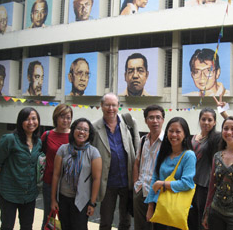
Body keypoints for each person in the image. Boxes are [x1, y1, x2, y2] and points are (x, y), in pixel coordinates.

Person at [92, 93, 140, 230]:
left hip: (127, 180)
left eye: (114, 105)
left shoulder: (129, 122)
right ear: (101, 106)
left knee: (125, 221)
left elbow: (137, 147)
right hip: (107, 182)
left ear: (118, 106)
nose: (111, 108)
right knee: (106, 220)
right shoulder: (94, 127)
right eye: (107, 104)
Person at [0, 107, 42, 230]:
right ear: (20, 122)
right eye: (26, 119)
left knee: (27, 226)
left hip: (29, 194)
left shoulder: (38, 142)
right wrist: (1, 185)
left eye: (34, 119)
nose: (31, 122)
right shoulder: (10, 139)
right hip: (9, 194)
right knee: (7, 226)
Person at [145, 117, 196, 230]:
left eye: (178, 131)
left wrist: (163, 184)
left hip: (177, 208)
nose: (174, 135)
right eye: (171, 131)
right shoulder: (163, 153)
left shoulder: (189, 155)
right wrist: (150, 206)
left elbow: (187, 183)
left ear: (185, 134)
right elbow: (155, 178)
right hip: (160, 207)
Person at [51, 118, 102, 230]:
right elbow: (56, 174)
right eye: (79, 128)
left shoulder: (93, 152)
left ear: (89, 134)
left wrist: (92, 203)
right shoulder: (63, 149)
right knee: (64, 227)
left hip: (82, 200)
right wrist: (53, 199)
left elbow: (96, 179)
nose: (82, 132)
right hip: (63, 198)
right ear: (73, 130)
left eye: (85, 130)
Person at [188, 96, 228, 230]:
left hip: (204, 184)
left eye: (210, 120)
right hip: (189, 183)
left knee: (203, 218)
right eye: (203, 119)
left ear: (215, 122)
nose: (206, 122)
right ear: (199, 120)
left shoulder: (216, 138)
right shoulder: (194, 138)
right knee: (190, 216)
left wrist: (223, 111)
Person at [41, 104, 73, 230]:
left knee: (66, 219)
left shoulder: (74, 136)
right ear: (56, 118)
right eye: (62, 117)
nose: (65, 120)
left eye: (68, 117)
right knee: (49, 217)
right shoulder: (47, 135)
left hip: (68, 185)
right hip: (49, 183)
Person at [133, 105, 165, 230]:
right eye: (151, 118)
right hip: (140, 191)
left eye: (158, 117)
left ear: (163, 120)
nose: (155, 121)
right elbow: (136, 163)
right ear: (146, 121)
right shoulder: (143, 141)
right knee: (140, 227)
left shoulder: (167, 142)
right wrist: (136, 184)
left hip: (158, 194)